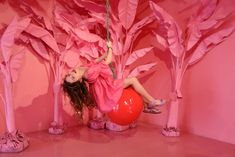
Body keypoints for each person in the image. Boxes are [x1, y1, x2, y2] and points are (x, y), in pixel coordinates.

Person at [63, 41, 165, 116]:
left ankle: (147, 106)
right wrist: (110, 48)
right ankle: (152, 101)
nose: (72, 73)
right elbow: (107, 61)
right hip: (108, 88)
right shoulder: (88, 74)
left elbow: (94, 62)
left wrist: (104, 54)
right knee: (133, 80)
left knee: (131, 85)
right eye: (73, 78)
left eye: (70, 75)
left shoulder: (80, 69)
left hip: (106, 85)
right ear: (79, 80)